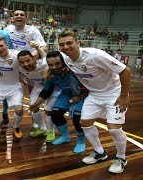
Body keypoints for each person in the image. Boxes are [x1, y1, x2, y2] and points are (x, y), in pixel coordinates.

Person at [58, 31, 131, 174]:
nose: (65, 47)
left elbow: (125, 71)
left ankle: (121, 158)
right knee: (84, 123)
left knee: (114, 128)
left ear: (78, 43)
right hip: (95, 95)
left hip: (113, 93)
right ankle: (100, 152)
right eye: (62, 44)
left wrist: (123, 96)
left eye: (69, 43)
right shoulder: (67, 59)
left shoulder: (95, 55)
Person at [29, 50, 88, 153]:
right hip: (66, 94)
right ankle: (65, 137)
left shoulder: (74, 70)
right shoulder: (51, 75)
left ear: (63, 62)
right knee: (55, 113)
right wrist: (35, 104)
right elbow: (46, 91)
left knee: (77, 116)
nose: (54, 67)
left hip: (83, 95)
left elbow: (89, 86)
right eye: (51, 65)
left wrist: (80, 96)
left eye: (57, 63)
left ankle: (81, 141)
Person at [18, 42, 59, 142]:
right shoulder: (20, 68)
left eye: (28, 60)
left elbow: (46, 57)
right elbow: (17, 72)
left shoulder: (44, 63)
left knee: (48, 110)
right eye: (22, 62)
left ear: (34, 58)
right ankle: (42, 129)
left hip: (53, 88)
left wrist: (37, 47)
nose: (26, 64)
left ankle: (50, 131)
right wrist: (22, 79)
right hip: (38, 87)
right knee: (33, 106)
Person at [0, 37, 24, 139]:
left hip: (14, 86)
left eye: (1, 46)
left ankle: (16, 126)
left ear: (7, 45)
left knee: (19, 109)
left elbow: (31, 57)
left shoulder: (16, 54)